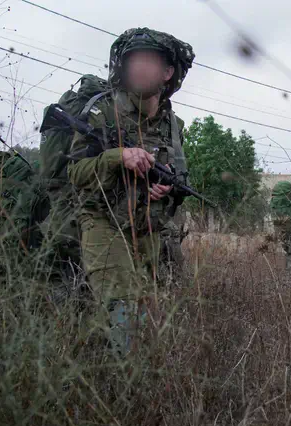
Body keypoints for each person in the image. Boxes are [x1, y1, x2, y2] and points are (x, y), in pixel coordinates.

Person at [67, 28, 195, 355]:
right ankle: (119, 377)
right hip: (103, 221)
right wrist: (117, 157)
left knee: (149, 313)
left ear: (168, 73)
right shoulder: (102, 111)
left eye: (148, 60)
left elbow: (178, 175)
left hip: (147, 229)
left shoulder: (173, 125)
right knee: (123, 312)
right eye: (133, 60)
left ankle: (98, 359)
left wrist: (165, 188)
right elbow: (76, 172)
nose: (138, 67)